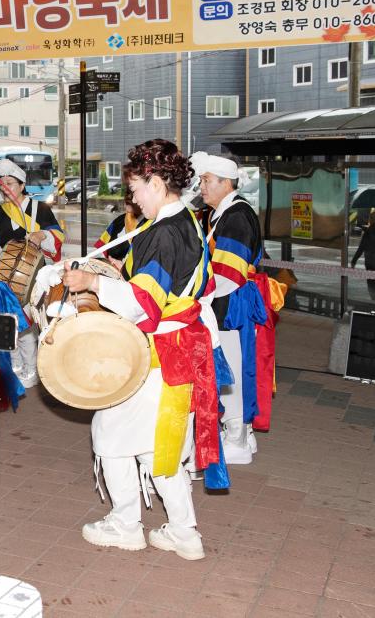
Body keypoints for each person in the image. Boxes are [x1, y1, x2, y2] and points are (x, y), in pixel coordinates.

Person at [61, 138, 223, 562]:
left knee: (110, 434)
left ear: (154, 182)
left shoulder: (163, 232)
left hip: (153, 352)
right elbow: (174, 283)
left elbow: (144, 304)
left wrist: (93, 283)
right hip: (178, 349)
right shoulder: (187, 220)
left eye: (134, 188)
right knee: (161, 447)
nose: (132, 199)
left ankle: (126, 523)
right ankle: (184, 532)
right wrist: (120, 270)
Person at [192, 152, 267, 466]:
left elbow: (228, 275)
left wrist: (197, 299)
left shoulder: (235, 216)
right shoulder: (223, 213)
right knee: (233, 365)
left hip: (229, 302)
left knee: (232, 367)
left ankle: (236, 434)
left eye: (207, 180)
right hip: (225, 299)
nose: (202, 186)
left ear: (226, 183)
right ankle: (241, 434)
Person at [0, 157, 64, 389]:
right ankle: (15, 366)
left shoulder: (39, 209)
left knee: (27, 325)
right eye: (2, 184)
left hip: (34, 277)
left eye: (10, 183)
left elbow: (58, 237)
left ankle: (31, 369)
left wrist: (43, 235)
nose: (5, 189)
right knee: (8, 324)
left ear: (22, 185)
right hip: (7, 279)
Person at [94, 192, 142, 268]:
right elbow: (100, 252)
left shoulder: (152, 226)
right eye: (128, 189)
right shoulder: (119, 221)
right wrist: (105, 264)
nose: (128, 195)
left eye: (134, 191)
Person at [352, 209, 375, 301]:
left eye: (371, 218)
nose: (370, 219)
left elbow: (361, 247)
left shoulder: (369, 232)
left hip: (370, 261)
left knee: (371, 281)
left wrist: (354, 260)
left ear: (374, 219)